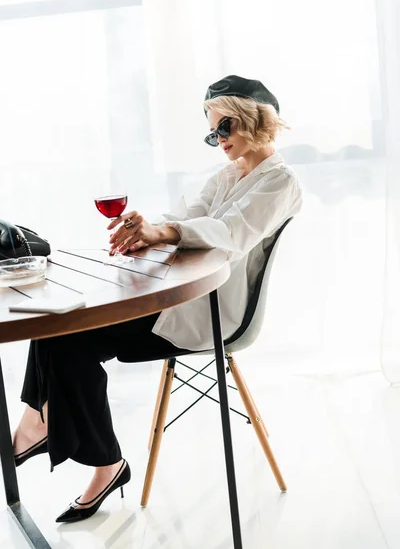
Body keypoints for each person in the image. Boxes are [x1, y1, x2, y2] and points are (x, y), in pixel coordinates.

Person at [12, 75, 302, 523]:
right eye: (211, 133)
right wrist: (143, 228)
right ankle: (43, 425)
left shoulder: (280, 183)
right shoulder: (226, 175)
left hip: (211, 314)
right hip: (178, 300)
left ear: (255, 118)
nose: (217, 140)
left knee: (70, 336)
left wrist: (164, 233)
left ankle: (82, 451)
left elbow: (230, 235)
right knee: (60, 319)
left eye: (224, 127)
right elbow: (184, 219)